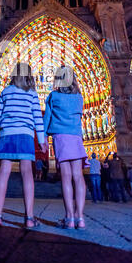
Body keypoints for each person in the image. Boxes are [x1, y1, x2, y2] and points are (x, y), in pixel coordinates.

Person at [0, 63, 46, 229]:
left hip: (7, 134)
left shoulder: (5, 91)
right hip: (25, 134)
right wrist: (41, 139)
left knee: (4, 172)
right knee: (27, 173)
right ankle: (30, 218)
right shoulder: (32, 93)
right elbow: (37, 117)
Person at [43, 65, 88, 230]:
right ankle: (80, 218)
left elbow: (46, 118)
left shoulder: (53, 96)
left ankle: (69, 217)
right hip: (76, 137)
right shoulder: (79, 97)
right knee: (78, 177)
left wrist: (43, 137)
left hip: (60, 137)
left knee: (66, 177)